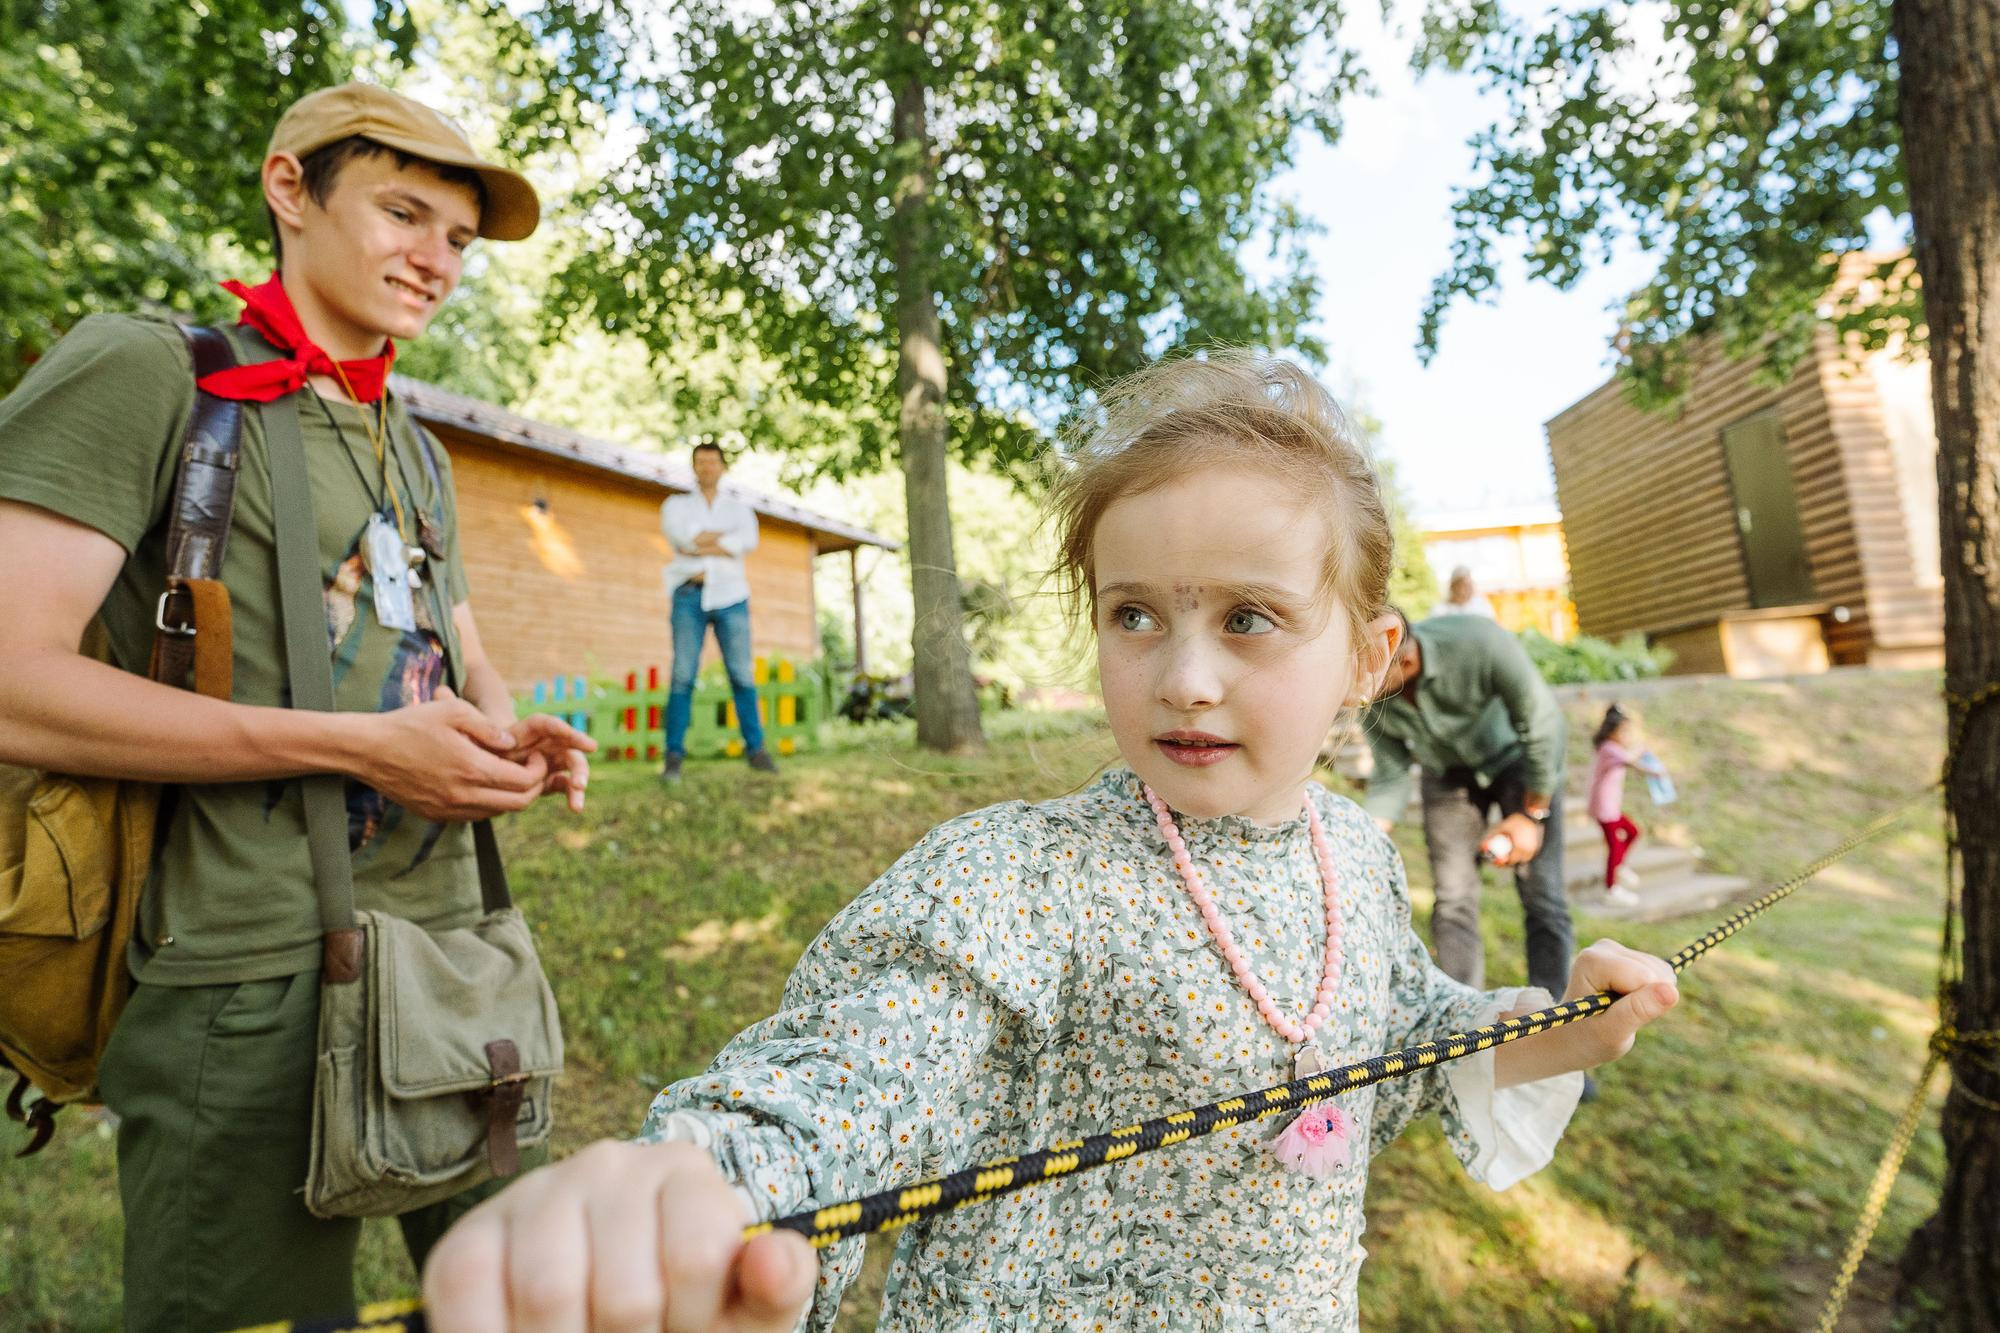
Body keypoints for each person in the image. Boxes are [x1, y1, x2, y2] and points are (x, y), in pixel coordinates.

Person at [421, 352, 1681, 1331]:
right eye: (1135, 614)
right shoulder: (1019, 878)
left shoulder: (1350, 854)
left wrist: (1555, 1025)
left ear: (1366, 656)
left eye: (1248, 618)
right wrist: (704, 1190)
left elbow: (1390, 1038)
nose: (1183, 677)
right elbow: (859, 1073)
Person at [0, 82, 595, 1331]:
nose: (434, 259)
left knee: (522, 1311)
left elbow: (459, 646)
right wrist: (360, 747)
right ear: (289, 190)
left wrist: (508, 730)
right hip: (240, 983)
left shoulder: (410, 439)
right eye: (401, 213)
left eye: (457, 240)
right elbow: (11, 677)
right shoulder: (149, 373)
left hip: (455, 963)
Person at [1361, 609, 1572, 1001]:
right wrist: (1361, 839)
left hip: (1520, 760)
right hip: (1447, 775)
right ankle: (1461, 1023)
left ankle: (1553, 1014)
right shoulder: (1371, 692)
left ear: (1404, 659)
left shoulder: (1477, 640)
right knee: (1453, 897)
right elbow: (1391, 773)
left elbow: (1542, 721)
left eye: (1366, 676)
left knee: (1543, 896)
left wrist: (1532, 814)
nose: (1357, 687)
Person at [659, 438, 776, 780]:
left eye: (713, 462)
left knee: (741, 674)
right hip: (687, 596)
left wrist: (703, 541)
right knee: (683, 675)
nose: (706, 467)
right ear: (694, 466)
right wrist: (723, 540)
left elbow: (747, 541)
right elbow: (683, 540)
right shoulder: (675, 505)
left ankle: (755, 750)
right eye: (700, 462)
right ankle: (673, 758)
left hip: (731, 597)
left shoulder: (740, 510)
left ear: (722, 466)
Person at [1589, 704, 1670, 905]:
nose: (1626, 736)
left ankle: (1619, 866)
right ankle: (1611, 888)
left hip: (1611, 805)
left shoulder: (1613, 748)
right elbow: (1632, 762)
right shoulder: (1609, 749)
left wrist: (1640, 749)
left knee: (1632, 832)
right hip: (1604, 806)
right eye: (1623, 731)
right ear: (1612, 732)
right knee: (1615, 846)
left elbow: (1630, 754)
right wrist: (1656, 772)